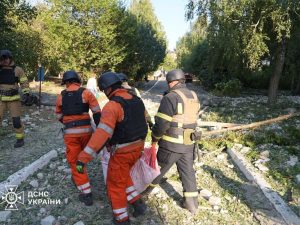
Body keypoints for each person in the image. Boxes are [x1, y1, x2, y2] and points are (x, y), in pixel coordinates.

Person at [77, 72, 148, 225]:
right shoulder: (136, 100)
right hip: (138, 148)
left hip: (123, 152)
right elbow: (144, 121)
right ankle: (138, 204)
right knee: (123, 177)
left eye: (103, 90)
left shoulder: (112, 105)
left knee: (114, 185)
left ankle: (121, 219)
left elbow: (101, 135)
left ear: (107, 89)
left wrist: (83, 158)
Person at [145, 69, 201, 214]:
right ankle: (191, 204)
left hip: (171, 144)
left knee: (157, 169)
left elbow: (162, 123)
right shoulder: (193, 95)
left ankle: (143, 194)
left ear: (172, 82)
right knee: (188, 172)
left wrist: (155, 138)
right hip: (189, 143)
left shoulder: (170, 97)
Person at [55, 70, 101, 206]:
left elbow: (58, 115)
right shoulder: (86, 93)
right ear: (77, 80)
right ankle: (80, 175)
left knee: (75, 163)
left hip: (71, 134)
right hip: (87, 133)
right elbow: (97, 112)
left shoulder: (61, 96)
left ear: (66, 82)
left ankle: (86, 193)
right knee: (83, 158)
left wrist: (68, 123)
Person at [0, 49, 30, 148]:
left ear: (10, 58)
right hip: (1, 99)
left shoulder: (17, 69)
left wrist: (26, 93)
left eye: (6, 58)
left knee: (16, 121)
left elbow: (24, 82)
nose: (5, 60)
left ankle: (20, 139)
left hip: (14, 99)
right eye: (2, 58)